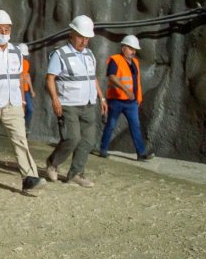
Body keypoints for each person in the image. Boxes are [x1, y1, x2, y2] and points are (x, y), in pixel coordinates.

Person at [0, 11, 45, 192]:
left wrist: (21, 99)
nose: (3, 33)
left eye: (6, 29)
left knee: (20, 139)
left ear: (10, 30)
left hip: (13, 102)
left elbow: (20, 77)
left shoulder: (16, 51)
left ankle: (29, 177)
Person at [44, 15, 108, 188]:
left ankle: (76, 174)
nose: (84, 41)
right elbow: (50, 78)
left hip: (88, 104)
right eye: (81, 37)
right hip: (68, 103)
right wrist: (55, 100)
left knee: (87, 140)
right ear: (71, 34)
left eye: (87, 38)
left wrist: (101, 97)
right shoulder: (60, 54)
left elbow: (92, 78)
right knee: (72, 137)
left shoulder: (89, 55)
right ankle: (53, 163)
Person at [99, 35, 154, 161]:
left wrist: (138, 98)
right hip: (116, 100)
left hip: (131, 103)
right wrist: (126, 90)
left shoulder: (135, 62)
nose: (133, 51)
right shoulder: (115, 59)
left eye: (135, 49)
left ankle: (141, 153)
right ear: (123, 48)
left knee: (135, 126)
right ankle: (103, 149)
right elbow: (112, 77)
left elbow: (137, 82)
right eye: (130, 48)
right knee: (111, 125)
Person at [17, 43, 36, 136]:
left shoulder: (26, 63)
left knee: (30, 109)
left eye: (24, 55)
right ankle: (18, 128)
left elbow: (27, 76)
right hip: (16, 90)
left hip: (25, 90)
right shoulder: (14, 62)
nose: (23, 57)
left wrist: (31, 90)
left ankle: (23, 125)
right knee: (19, 110)